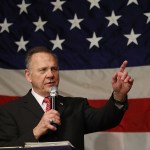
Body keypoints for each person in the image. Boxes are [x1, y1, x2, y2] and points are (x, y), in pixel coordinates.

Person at [0, 46, 133, 150]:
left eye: (54, 69)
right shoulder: (9, 111)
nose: (50, 75)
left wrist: (119, 94)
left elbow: (107, 119)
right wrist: (36, 131)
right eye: (43, 70)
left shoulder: (76, 106)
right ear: (28, 75)